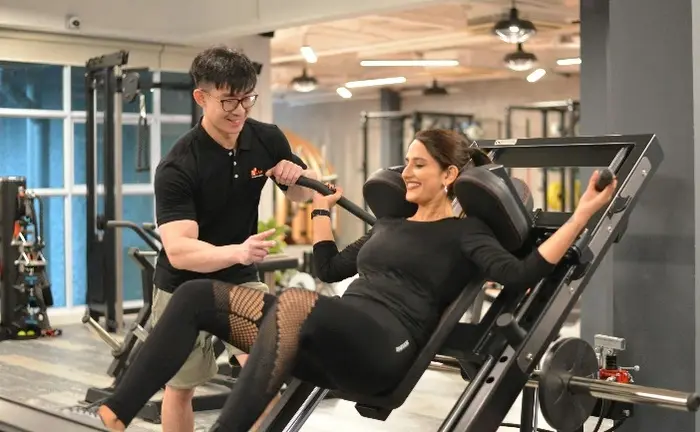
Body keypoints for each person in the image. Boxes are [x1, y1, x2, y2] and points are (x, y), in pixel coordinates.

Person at [75, 129, 616, 431]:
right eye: (406, 162)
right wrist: (321, 211)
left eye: (419, 165)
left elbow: (523, 272)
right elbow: (329, 268)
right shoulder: (391, 225)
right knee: (196, 292)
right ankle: (118, 411)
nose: (405, 172)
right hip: (335, 339)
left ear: (450, 176)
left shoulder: (466, 232)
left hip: (385, 348)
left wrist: (583, 213)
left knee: (293, 303)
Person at [124, 46, 316, 431]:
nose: (240, 110)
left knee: (265, 376)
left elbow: (304, 195)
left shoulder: (266, 138)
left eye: (247, 99)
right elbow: (180, 251)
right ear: (201, 97)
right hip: (183, 285)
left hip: (239, 278)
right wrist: (238, 251)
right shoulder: (179, 165)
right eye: (229, 100)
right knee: (181, 387)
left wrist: (297, 177)